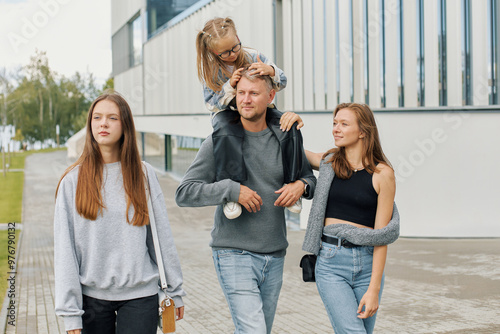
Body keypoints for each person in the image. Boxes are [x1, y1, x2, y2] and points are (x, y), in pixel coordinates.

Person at [175, 69, 316, 334]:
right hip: (233, 252)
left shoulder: (286, 136)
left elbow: (310, 180)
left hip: (274, 254)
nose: (246, 99)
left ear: (271, 96)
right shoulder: (217, 141)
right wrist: (231, 190)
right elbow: (184, 192)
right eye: (241, 93)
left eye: (254, 93)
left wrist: (301, 185)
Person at [54, 91, 185, 334]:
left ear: (125, 125)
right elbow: (65, 251)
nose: (103, 123)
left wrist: (174, 291)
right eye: (97, 117)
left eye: (112, 118)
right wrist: (70, 313)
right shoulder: (71, 182)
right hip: (91, 299)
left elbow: (161, 238)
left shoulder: (144, 174)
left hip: (141, 296)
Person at [302, 103, 398, 334]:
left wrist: (373, 289)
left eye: (344, 124)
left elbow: (381, 236)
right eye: (335, 123)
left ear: (363, 131)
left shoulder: (382, 174)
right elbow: (293, 149)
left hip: (367, 266)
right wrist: (281, 119)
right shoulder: (329, 163)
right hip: (331, 263)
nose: (336, 129)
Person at [196, 17, 304, 217]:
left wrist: (270, 71)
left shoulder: (254, 55)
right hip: (228, 113)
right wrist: (230, 86)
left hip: (261, 109)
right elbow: (211, 103)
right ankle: (231, 192)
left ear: (238, 37)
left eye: (235, 47)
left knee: (288, 125)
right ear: (213, 52)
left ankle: (291, 185)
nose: (233, 54)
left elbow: (282, 82)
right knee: (224, 133)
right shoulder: (211, 70)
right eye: (225, 52)